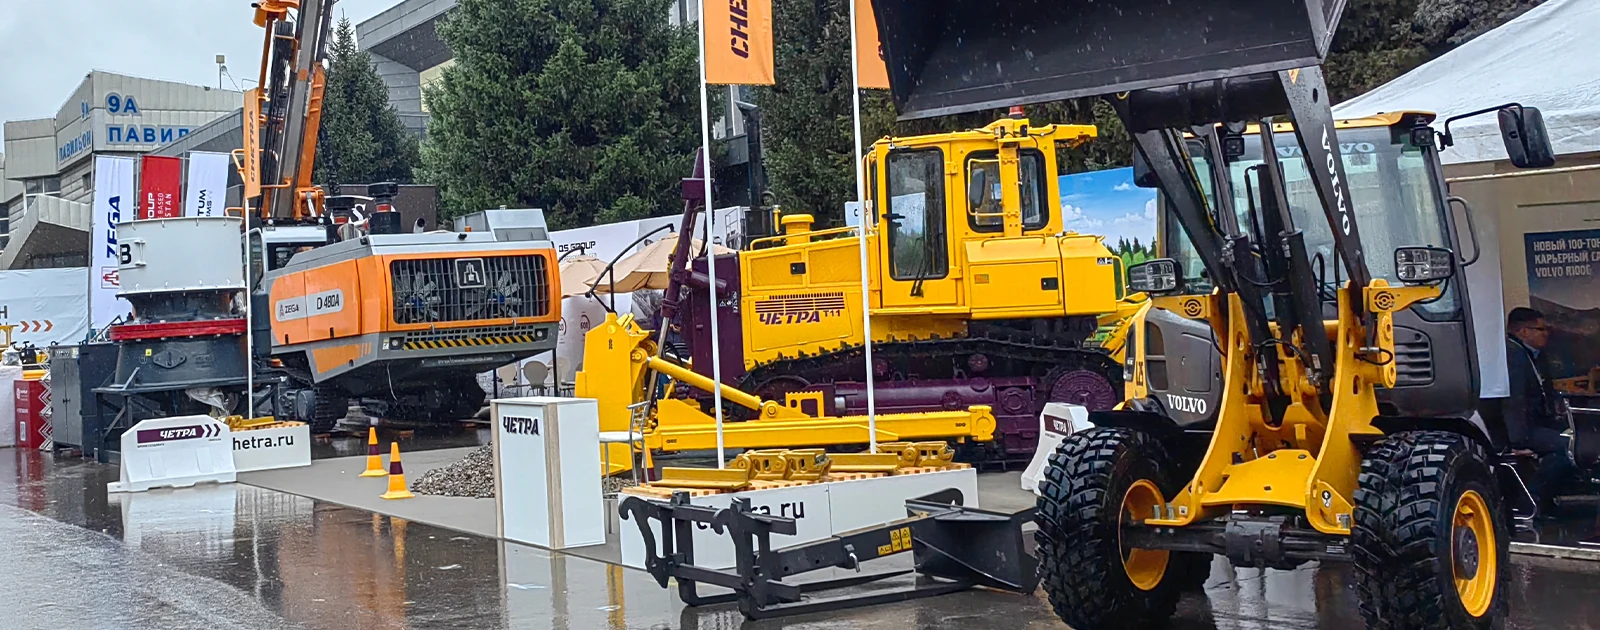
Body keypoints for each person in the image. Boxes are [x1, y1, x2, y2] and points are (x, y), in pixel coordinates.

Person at [1504, 307, 1578, 513]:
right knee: (1568, 448)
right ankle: (1531, 502)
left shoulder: (1535, 356)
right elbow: (1514, 401)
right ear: (1523, 331)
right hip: (1523, 430)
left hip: (1541, 422)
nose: (1546, 334)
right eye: (1541, 329)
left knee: (1579, 437)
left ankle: (1548, 498)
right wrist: (1518, 441)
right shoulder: (1513, 355)